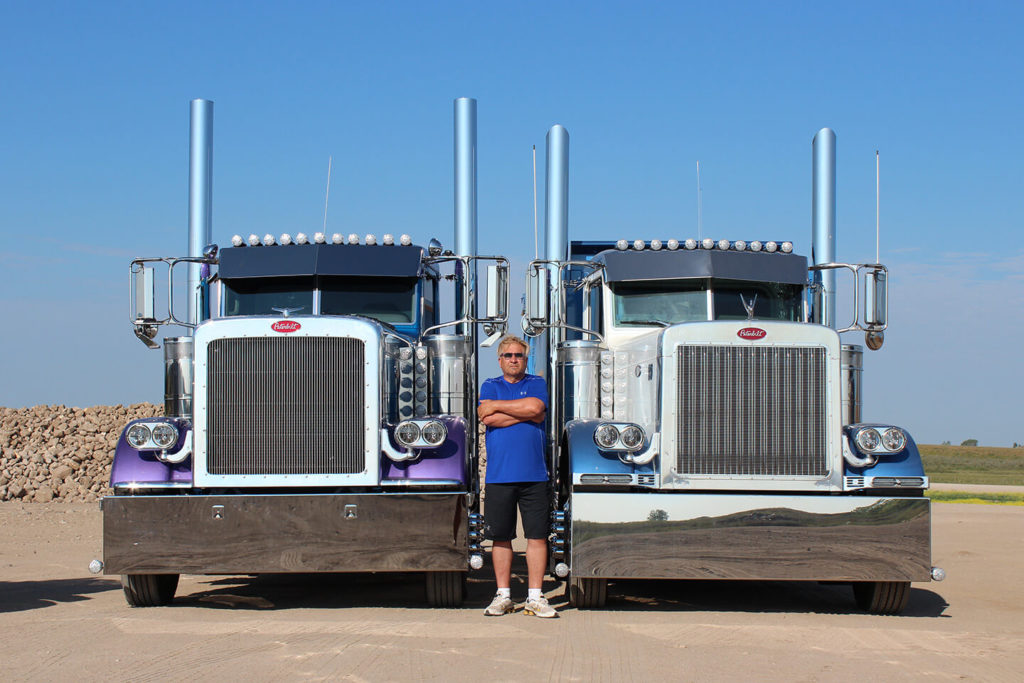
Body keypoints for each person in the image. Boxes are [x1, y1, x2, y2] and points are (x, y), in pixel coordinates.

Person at [478, 335, 556, 618]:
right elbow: (487, 417)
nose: (513, 359)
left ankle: (535, 596)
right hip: (499, 475)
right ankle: (503, 596)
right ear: (500, 360)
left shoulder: (536, 383)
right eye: (508, 355)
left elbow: (537, 409)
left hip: (534, 474)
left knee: (536, 536)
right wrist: (524, 412)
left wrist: (500, 407)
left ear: (526, 359)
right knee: (500, 537)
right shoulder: (490, 385)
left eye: (518, 355)